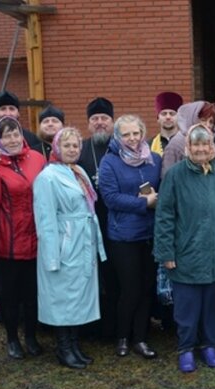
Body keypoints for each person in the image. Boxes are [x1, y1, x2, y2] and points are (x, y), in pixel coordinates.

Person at [154, 124, 215, 372]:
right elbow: (164, 217)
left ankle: (210, 346)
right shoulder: (175, 175)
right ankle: (186, 348)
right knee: (187, 308)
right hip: (185, 255)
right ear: (187, 148)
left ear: (213, 148)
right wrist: (166, 253)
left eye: (207, 144)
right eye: (197, 144)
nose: (202, 148)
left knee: (211, 306)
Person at [33, 127, 106, 369]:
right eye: (67, 146)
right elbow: (45, 220)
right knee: (62, 297)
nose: (72, 150)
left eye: (76, 146)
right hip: (65, 243)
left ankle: (74, 344)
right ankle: (63, 348)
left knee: (78, 296)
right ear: (56, 148)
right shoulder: (48, 177)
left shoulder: (79, 171)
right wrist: (53, 256)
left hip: (83, 241)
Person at [0, 116, 46, 360]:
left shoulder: (37, 159)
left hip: (35, 238)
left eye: (16, 134)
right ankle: (12, 339)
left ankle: (31, 336)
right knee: (9, 295)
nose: (13, 139)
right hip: (7, 241)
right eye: (7, 135)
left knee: (32, 293)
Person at [98, 114, 162, 359]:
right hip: (123, 236)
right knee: (130, 289)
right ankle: (122, 336)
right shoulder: (110, 162)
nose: (132, 138)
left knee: (146, 288)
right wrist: (142, 203)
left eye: (136, 133)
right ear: (117, 136)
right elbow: (111, 198)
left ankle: (141, 338)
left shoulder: (153, 160)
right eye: (126, 134)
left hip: (149, 233)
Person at [78, 97, 117, 338]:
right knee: (90, 276)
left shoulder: (123, 147)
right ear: (89, 124)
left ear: (112, 122)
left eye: (104, 118)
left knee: (113, 276)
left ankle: (113, 326)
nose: (100, 123)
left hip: (115, 224)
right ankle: (91, 327)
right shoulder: (79, 149)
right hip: (87, 225)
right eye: (95, 119)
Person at [161, 101, 215, 176]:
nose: (208, 125)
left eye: (211, 122)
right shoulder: (176, 145)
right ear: (192, 118)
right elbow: (167, 178)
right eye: (203, 120)